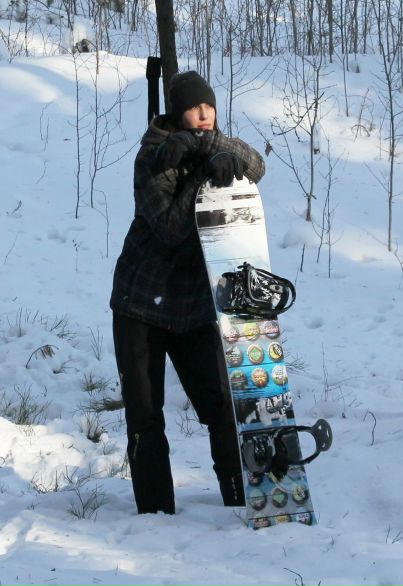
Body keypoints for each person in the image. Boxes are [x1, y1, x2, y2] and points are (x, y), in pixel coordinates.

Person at [110, 71, 266, 514]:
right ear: (177, 114)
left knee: (220, 407)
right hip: (140, 303)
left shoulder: (214, 144)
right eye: (195, 108)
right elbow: (172, 229)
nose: (204, 114)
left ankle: (240, 500)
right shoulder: (151, 159)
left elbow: (256, 164)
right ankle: (155, 515)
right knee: (145, 415)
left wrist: (207, 148)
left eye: (209, 107)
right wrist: (205, 179)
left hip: (194, 306)